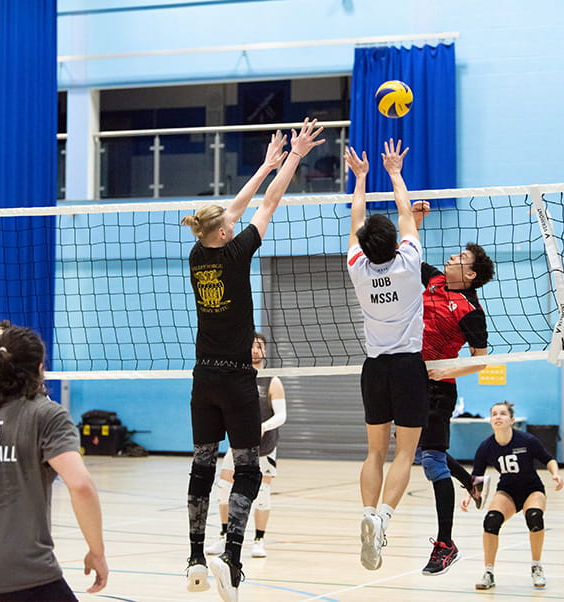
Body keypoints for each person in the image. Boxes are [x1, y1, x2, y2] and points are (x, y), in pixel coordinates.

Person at [182, 118, 324, 601]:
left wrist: (266, 163)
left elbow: (235, 208)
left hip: (203, 380)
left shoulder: (199, 255)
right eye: (229, 223)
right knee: (248, 469)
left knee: (202, 466)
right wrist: (293, 159)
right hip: (239, 381)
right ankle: (234, 558)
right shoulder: (237, 253)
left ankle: (196, 557)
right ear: (225, 233)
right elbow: (266, 204)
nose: (234, 221)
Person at [345, 140, 429, 571]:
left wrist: (360, 178)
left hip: (374, 368)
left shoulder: (357, 267)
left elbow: (359, 218)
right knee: (404, 453)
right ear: (395, 243)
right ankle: (383, 519)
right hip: (409, 366)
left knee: (374, 452)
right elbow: (405, 212)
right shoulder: (410, 261)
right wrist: (394, 171)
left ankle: (365, 512)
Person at [0, 325, 108, 601]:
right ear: (40, 368)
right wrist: (97, 551)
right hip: (23, 572)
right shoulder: (47, 415)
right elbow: (80, 485)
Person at [413, 203, 495, 576]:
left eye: (460, 256)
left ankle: (445, 544)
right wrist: (414, 220)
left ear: (472, 273)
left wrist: (441, 370)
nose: (451, 256)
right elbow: (406, 252)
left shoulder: (470, 310)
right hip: (411, 379)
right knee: (419, 450)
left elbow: (481, 361)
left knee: (430, 459)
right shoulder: (433, 280)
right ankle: (473, 483)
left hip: (438, 386)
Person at [461, 401, 564, 590]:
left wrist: (555, 474)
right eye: (494, 414)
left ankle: (536, 567)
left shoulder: (526, 440)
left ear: (512, 420)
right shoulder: (486, 447)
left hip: (532, 489)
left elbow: (548, 459)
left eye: (502, 414)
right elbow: (476, 476)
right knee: (491, 521)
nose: (498, 417)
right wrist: (470, 495)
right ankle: (489, 572)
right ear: (490, 421)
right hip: (507, 491)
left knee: (535, 518)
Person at [206, 331, 286, 559]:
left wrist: (263, 426)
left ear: (265, 351)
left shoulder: (272, 380)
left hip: (265, 446)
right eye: (251, 346)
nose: (254, 350)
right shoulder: (235, 377)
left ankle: (259, 540)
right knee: (223, 490)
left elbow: (281, 416)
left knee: (262, 492)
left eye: (259, 346)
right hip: (239, 444)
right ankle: (223, 536)